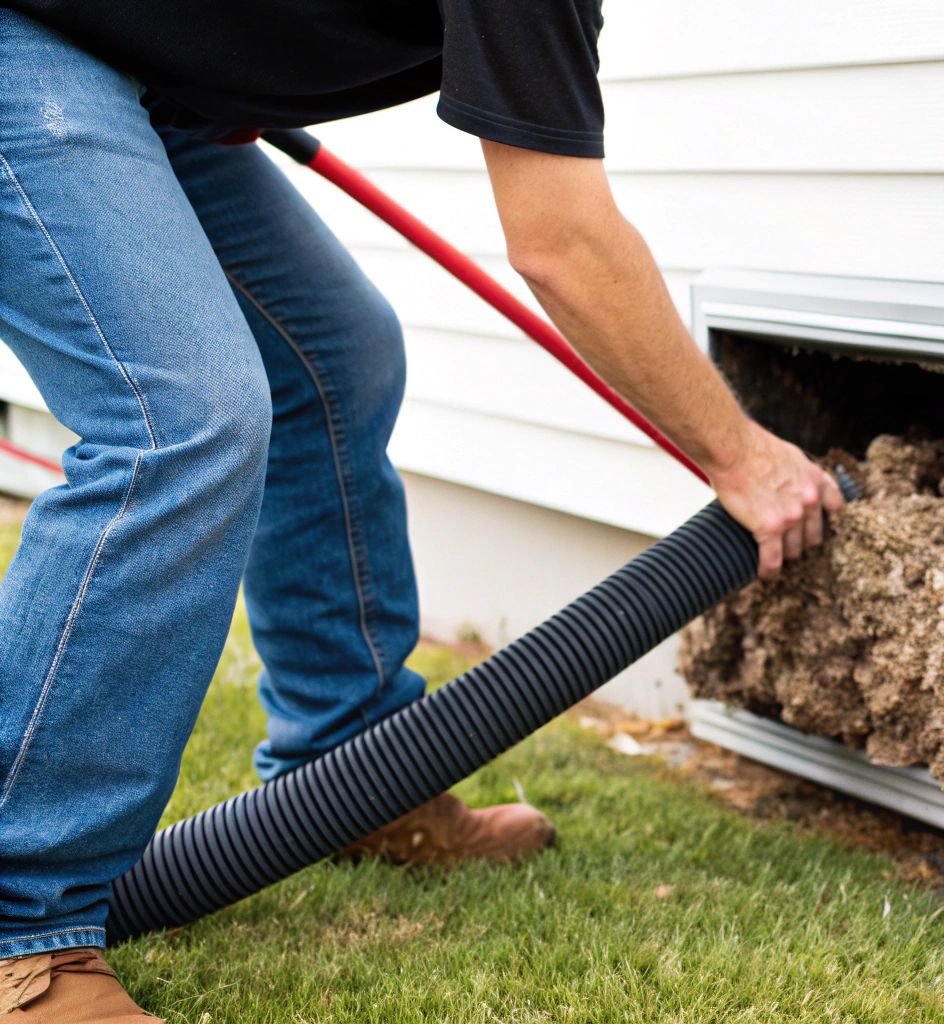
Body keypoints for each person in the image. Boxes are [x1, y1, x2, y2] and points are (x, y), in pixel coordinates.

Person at [0, 2, 843, 1019]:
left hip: (136, 73)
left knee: (333, 359)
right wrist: (741, 455)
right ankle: (24, 922)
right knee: (182, 417)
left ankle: (353, 775)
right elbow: (562, 242)